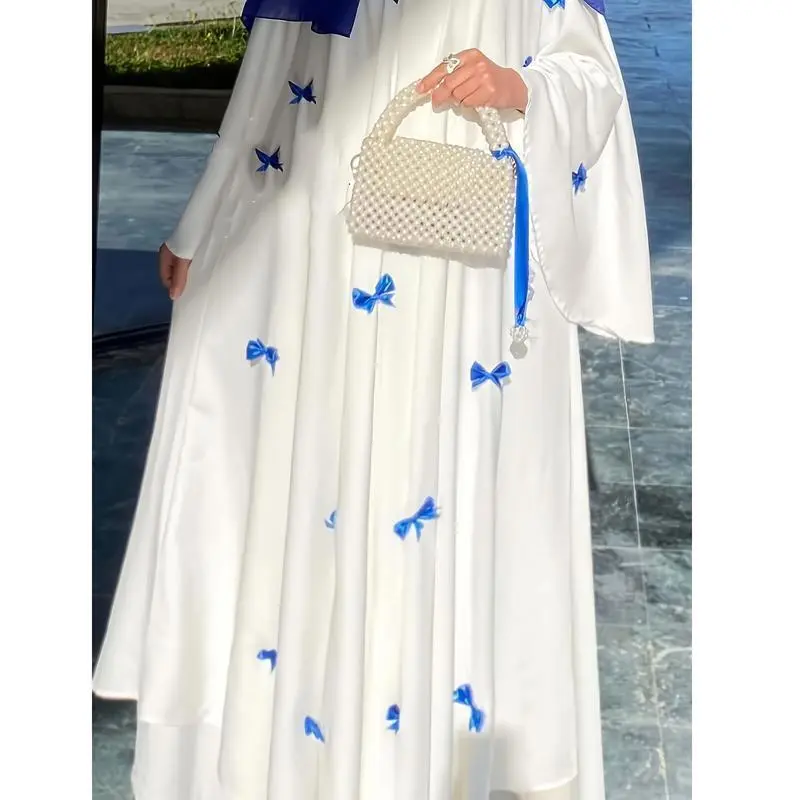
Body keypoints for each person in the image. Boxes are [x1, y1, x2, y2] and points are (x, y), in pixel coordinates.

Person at [93, 1, 654, 798]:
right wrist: (203, 218)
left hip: (459, 255)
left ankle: (415, 754)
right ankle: (301, 757)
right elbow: (275, 63)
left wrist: (518, 87)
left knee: (430, 474)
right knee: (313, 476)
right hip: (326, 241)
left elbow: (590, 75)